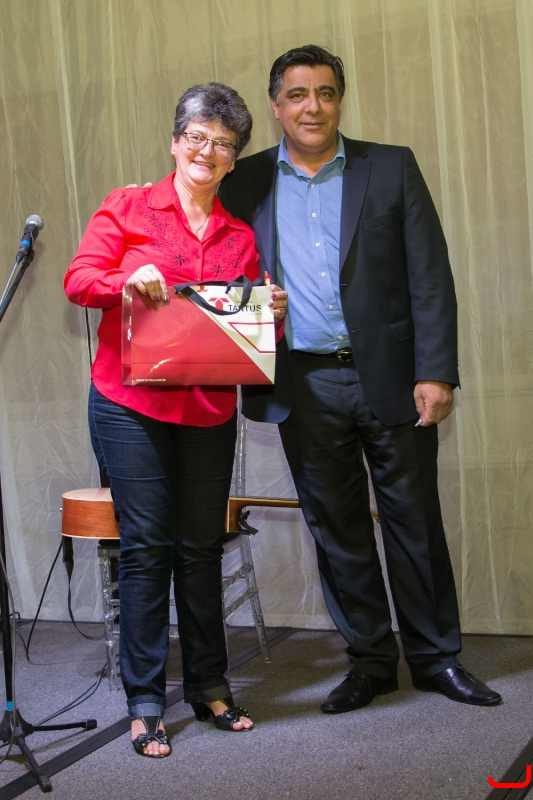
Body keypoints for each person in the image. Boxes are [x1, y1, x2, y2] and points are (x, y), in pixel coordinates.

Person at [217, 45, 501, 712]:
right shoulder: (243, 181)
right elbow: (217, 269)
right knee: (337, 529)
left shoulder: (390, 166)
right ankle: (370, 662)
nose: (312, 107)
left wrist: (436, 372)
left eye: (324, 93)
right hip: (303, 384)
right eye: (297, 95)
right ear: (276, 106)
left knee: (414, 522)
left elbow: (429, 275)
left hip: (395, 379)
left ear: (339, 101)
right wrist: (245, 300)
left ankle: (436, 658)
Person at [64, 82, 288, 757]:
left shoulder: (239, 236)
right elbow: (79, 280)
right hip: (129, 405)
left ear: (233, 159)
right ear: (174, 141)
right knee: (147, 549)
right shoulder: (127, 206)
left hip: (207, 408)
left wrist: (269, 314)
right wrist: (124, 281)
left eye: (223, 144)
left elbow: (243, 332)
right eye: (197, 137)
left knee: (199, 549)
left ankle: (209, 685)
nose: (207, 150)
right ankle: (143, 700)